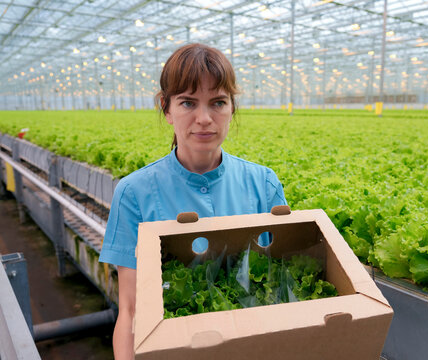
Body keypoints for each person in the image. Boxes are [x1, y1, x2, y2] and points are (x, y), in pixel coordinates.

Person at [98, 43, 287, 359]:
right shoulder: (134, 193)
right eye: (188, 103)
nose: (204, 118)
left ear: (232, 108)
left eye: (217, 103)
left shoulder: (263, 183)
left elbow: (278, 285)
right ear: (166, 109)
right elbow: (130, 310)